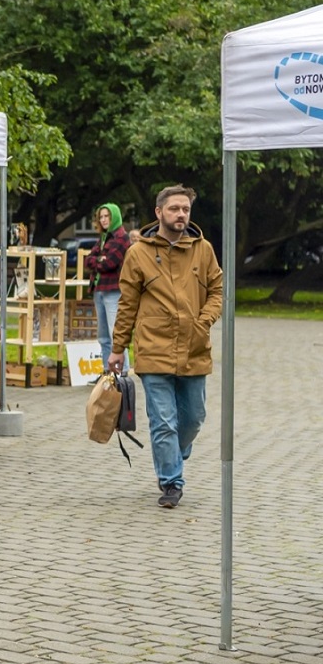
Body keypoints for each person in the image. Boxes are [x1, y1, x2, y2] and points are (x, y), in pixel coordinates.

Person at [107, 185, 222, 509]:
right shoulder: (138, 253)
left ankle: (173, 453)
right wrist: (117, 348)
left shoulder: (203, 250)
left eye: (185, 209)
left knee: (194, 418)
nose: (181, 214)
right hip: (153, 348)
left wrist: (203, 321)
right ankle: (172, 481)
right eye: (174, 208)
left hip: (194, 347)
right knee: (163, 422)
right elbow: (127, 304)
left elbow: (217, 290)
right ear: (159, 212)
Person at [84, 203, 131, 366]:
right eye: (101, 217)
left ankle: (122, 373)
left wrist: (97, 260)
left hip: (113, 291)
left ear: (115, 217)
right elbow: (87, 260)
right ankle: (107, 372)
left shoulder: (122, 238)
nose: (103, 220)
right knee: (103, 337)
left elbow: (109, 263)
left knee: (116, 335)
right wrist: (99, 259)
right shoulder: (104, 238)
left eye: (107, 216)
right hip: (98, 289)